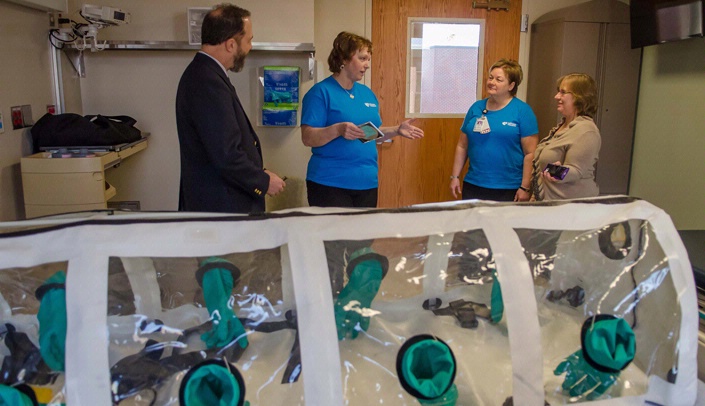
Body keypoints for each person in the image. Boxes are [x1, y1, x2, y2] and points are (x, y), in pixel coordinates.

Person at [176, 4, 285, 214]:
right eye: (249, 40)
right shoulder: (206, 81)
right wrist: (262, 181)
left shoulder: (207, 74)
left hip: (223, 201)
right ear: (231, 45)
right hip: (222, 207)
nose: (250, 47)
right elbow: (226, 154)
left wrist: (259, 171)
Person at [301, 31, 424, 209]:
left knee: (364, 237)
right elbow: (308, 137)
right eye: (362, 58)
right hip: (330, 183)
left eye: (368, 59)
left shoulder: (367, 94)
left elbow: (367, 134)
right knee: (338, 237)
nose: (367, 65)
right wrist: (338, 129)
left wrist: (396, 130)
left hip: (366, 182)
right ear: (344, 58)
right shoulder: (321, 93)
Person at [449, 59, 538, 202]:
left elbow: (530, 153)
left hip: (508, 187)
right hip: (474, 183)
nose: (492, 82)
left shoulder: (523, 111)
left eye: (498, 79)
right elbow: (462, 145)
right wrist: (455, 176)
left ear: (511, 85)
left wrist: (525, 187)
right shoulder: (476, 107)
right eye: (491, 77)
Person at [529, 73, 601, 201]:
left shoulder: (586, 130)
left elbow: (576, 171)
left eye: (563, 92)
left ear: (579, 97)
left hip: (570, 209)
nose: (557, 96)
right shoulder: (563, 126)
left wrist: (558, 172)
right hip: (547, 204)